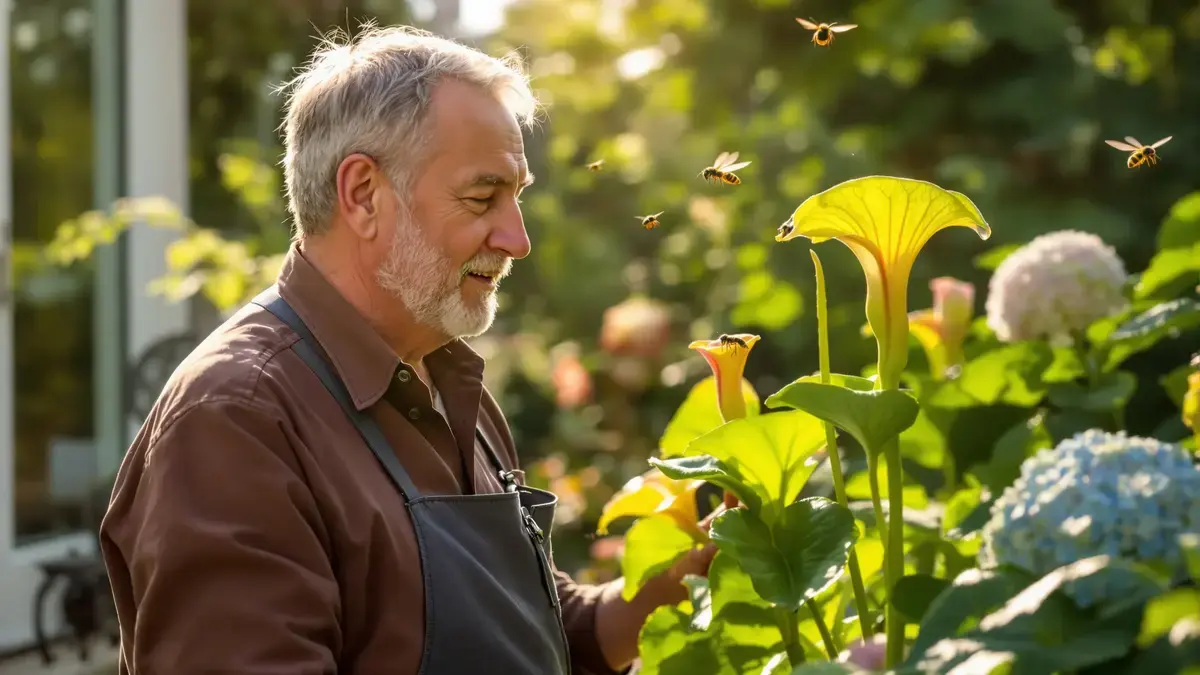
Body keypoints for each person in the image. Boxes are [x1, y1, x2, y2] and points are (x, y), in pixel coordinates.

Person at [99, 24, 722, 675]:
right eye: (484, 197)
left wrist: (679, 574)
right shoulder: (237, 417)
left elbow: (537, 628)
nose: (517, 238)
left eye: (517, 198)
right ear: (364, 194)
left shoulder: (449, 383)